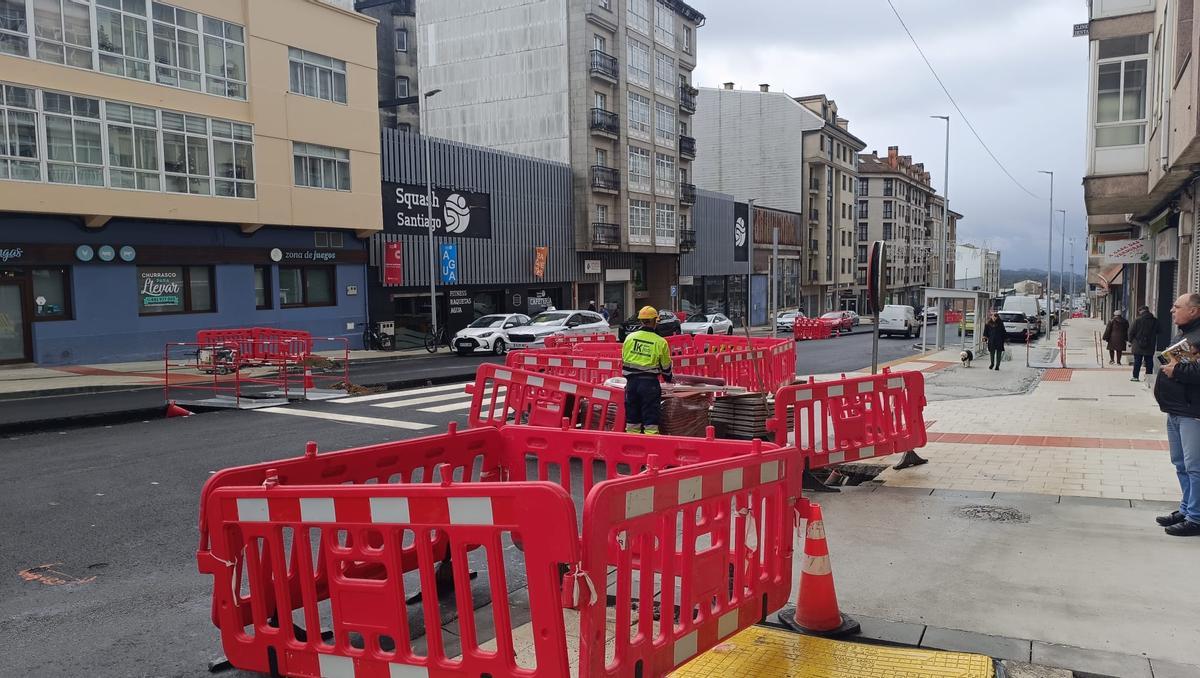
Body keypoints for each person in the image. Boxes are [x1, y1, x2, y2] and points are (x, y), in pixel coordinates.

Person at [1152, 293, 1200, 537]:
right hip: (1176, 410)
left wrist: (1177, 369)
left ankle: (1196, 517)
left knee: (1195, 467)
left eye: (1177, 306)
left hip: (1192, 412)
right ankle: (1187, 508)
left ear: (1194, 310)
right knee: (1181, 464)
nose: (1172, 310)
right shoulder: (1184, 334)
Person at [621, 306, 673, 435]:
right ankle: (650, 444)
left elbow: (624, 358)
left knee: (632, 418)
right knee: (650, 418)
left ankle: (631, 445)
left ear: (641, 321)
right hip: (649, 384)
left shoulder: (630, 338)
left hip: (631, 383)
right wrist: (669, 378)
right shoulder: (660, 342)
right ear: (655, 321)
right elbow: (666, 366)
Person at [1129, 305, 1158, 382]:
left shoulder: (1137, 320)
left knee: (1137, 361)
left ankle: (1135, 377)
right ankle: (1149, 377)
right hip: (1150, 344)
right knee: (1149, 361)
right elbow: (1159, 330)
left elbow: (1131, 331)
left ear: (1141, 311)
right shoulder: (1154, 320)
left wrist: (1130, 341)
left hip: (1138, 344)